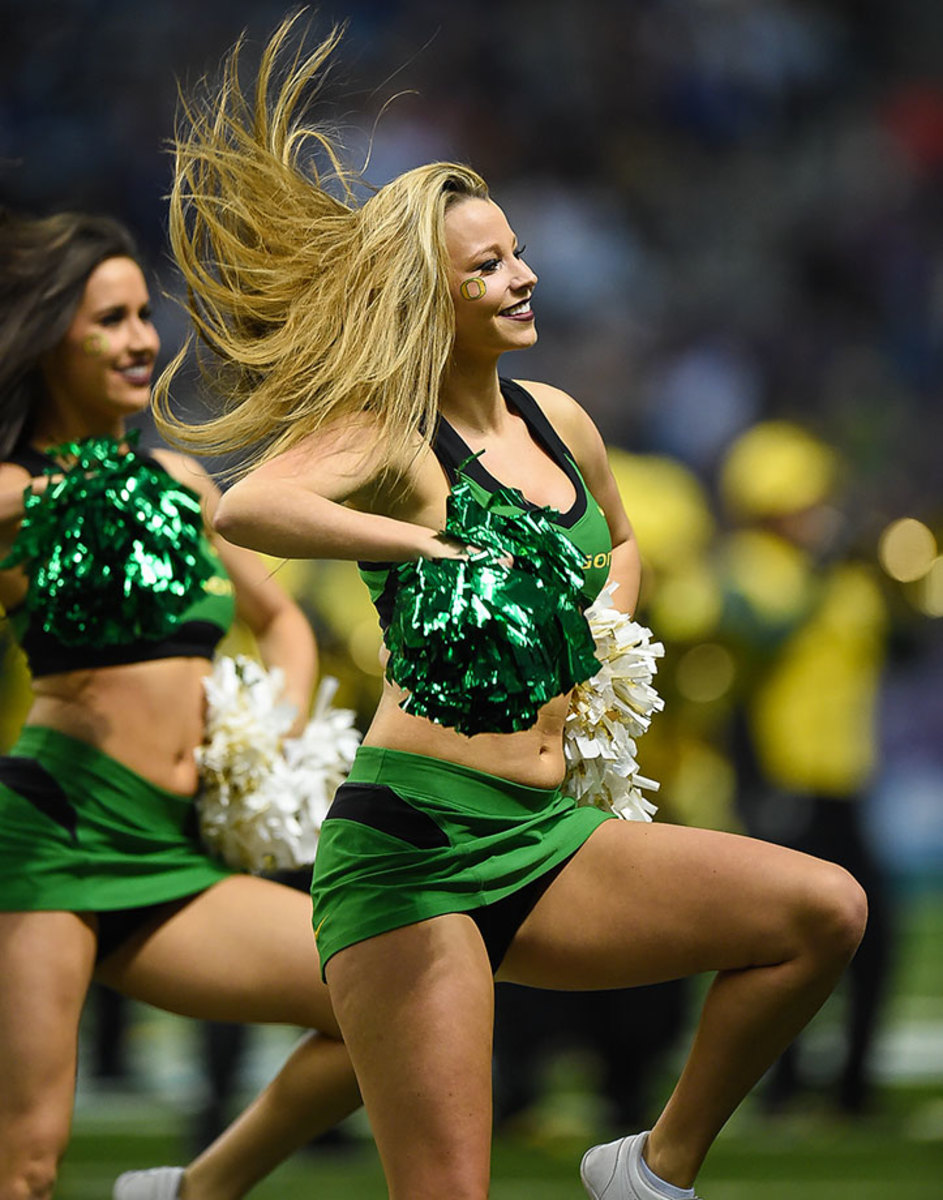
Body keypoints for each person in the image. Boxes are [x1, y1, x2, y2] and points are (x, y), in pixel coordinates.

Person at [156, 19, 868, 1200]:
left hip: (550, 836)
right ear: (426, 295)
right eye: (483, 267)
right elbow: (250, 512)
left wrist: (603, 633)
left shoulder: (560, 418)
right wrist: (416, 539)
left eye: (516, 253)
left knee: (819, 912)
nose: (520, 275)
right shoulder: (389, 436)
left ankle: (649, 1167)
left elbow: (621, 542)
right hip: (415, 848)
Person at [0, 208, 362, 1200]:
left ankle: (194, 1192)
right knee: (26, 1159)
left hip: (173, 854)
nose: (140, 340)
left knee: (380, 999)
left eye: (142, 316)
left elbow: (282, 622)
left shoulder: (180, 481)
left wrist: (269, 746)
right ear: (46, 337)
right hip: (56, 841)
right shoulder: (15, 494)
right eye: (108, 320)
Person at [715, 420, 895, 1116]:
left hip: (845, 776)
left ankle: (852, 1082)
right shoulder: (747, 570)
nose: (818, 511)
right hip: (781, 778)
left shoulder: (844, 573)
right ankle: (781, 1082)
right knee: (780, 938)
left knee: (873, 935)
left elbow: (897, 641)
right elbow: (759, 638)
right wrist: (822, 573)